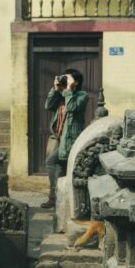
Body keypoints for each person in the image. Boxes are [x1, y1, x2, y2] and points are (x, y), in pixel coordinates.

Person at [43, 68, 89, 209]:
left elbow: (71, 107)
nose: (65, 81)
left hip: (71, 140)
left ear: (76, 82)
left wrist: (69, 90)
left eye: (67, 78)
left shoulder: (82, 95)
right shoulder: (62, 95)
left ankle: (56, 197)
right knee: (61, 168)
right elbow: (48, 105)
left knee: (53, 163)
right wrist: (55, 89)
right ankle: (59, 199)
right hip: (59, 139)